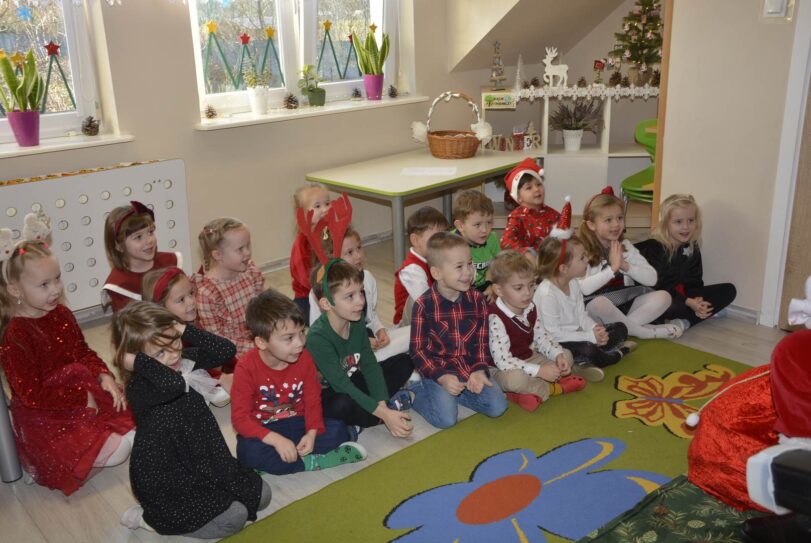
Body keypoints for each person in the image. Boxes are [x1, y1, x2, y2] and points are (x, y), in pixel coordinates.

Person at [0, 214, 134, 495]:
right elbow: (30, 394)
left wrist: (103, 375)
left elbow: (82, 352)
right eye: (44, 285)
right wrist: (80, 398)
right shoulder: (16, 335)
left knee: (133, 415)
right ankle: (93, 449)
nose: (56, 289)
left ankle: (113, 437)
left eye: (57, 279)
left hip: (82, 392)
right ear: (15, 290)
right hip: (48, 414)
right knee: (116, 451)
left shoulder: (61, 314)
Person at [113, 302, 270, 537]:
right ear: (136, 359)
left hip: (206, 457)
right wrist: (139, 362)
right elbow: (174, 384)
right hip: (171, 474)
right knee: (235, 517)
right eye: (160, 352)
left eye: (174, 342)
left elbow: (226, 350)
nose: (173, 355)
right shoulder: (139, 386)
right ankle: (150, 519)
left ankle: (165, 341)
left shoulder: (184, 360)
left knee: (262, 496)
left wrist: (183, 329)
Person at [232, 289, 366, 475]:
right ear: (262, 342)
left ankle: (279, 462)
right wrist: (276, 440)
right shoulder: (246, 368)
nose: (300, 343)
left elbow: (312, 400)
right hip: (266, 427)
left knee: (337, 430)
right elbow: (240, 419)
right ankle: (312, 462)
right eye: (289, 338)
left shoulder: (304, 358)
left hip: (299, 422)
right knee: (247, 452)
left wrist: (311, 433)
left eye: (302, 332)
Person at [408, 232, 508, 428]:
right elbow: (417, 351)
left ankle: (456, 395)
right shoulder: (423, 305)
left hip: (468, 368)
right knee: (446, 420)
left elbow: (481, 342)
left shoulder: (477, 300)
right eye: (459, 267)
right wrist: (442, 377)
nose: (468, 272)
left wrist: (479, 370)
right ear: (437, 273)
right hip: (438, 372)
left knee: (498, 407)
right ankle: (415, 391)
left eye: (470, 264)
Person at [307, 259, 414, 437]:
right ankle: (369, 418)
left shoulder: (356, 321)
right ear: (326, 304)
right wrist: (384, 414)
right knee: (342, 404)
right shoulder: (317, 338)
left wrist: (381, 405)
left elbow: (370, 365)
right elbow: (341, 385)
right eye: (350, 296)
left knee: (404, 362)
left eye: (361, 293)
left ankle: (374, 413)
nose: (360, 302)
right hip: (330, 393)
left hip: (352, 380)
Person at [535, 198, 636, 378]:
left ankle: (587, 359)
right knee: (588, 348)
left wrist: (595, 329)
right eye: (582, 258)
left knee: (620, 328)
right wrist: (590, 336)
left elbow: (581, 316)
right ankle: (614, 354)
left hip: (578, 334)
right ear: (563, 268)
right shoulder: (547, 293)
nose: (587, 260)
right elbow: (552, 334)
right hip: (556, 342)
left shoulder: (573, 283)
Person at [577, 187, 683, 339]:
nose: (616, 224)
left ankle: (623, 329)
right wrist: (612, 269)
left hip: (625, 306)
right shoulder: (581, 250)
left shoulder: (626, 246)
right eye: (608, 220)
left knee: (664, 297)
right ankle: (644, 332)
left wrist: (625, 265)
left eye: (620, 218)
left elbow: (652, 279)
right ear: (591, 225)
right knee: (599, 303)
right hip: (593, 311)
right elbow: (584, 289)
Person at [487, 250, 586, 412]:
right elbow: (503, 361)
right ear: (499, 290)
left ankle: (524, 393)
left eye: (531, 285)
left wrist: (557, 355)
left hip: (528, 358)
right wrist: (539, 371)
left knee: (566, 355)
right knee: (516, 380)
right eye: (518, 288)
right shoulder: (495, 318)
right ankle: (554, 388)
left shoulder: (530, 307)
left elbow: (542, 338)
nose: (527, 292)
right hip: (501, 369)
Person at [636, 194, 737, 331]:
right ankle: (688, 320)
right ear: (666, 224)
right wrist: (688, 302)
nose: (686, 227)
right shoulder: (655, 247)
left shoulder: (692, 247)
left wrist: (698, 301)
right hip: (653, 297)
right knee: (668, 303)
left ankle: (686, 319)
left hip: (678, 297)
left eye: (690, 220)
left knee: (729, 290)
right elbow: (656, 286)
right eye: (678, 222)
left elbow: (694, 282)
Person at [142, 267, 231, 403]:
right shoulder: (157, 341)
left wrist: (186, 330)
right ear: (160, 308)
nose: (191, 301)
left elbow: (225, 350)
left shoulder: (187, 327)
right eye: (181, 299)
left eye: (191, 293)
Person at [191, 217, 264, 367]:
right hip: (235, 355)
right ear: (218, 255)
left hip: (260, 339)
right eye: (240, 249)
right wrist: (258, 347)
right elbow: (218, 341)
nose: (247, 252)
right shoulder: (208, 292)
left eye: (248, 245)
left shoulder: (250, 272)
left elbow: (263, 309)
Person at [102, 201, 182, 312]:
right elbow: (128, 321)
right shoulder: (119, 285)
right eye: (138, 237)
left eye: (150, 232)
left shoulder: (170, 262)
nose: (149, 240)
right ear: (119, 246)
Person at [393, 206, 449, 326]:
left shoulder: (434, 257)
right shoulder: (412, 270)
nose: (442, 243)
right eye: (436, 238)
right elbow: (427, 304)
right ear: (415, 240)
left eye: (444, 236)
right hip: (408, 326)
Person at [500, 157, 560, 255]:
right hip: (526, 261)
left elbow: (566, 235)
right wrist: (525, 253)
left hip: (550, 259)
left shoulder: (553, 214)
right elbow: (506, 242)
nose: (536, 189)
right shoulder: (516, 217)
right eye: (529, 188)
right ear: (519, 197)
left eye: (538, 184)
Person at [289, 182, 332, 318]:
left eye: (327, 203)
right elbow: (306, 280)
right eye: (317, 206)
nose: (325, 209)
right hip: (308, 297)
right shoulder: (302, 242)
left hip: (331, 289)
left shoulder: (332, 232)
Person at [452, 189, 500, 302]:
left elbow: (496, 264)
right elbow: (450, 279)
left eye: (489, 222)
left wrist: (490, 284)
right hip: (459, 290)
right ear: (460, 226)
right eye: (477, 225)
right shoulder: (451, 244)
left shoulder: (492, 238)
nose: (485, 230)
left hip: (485, 286)